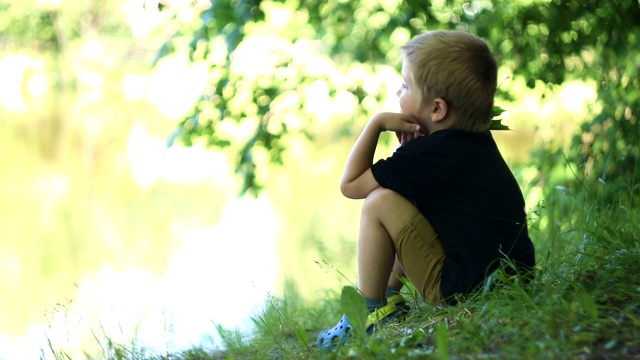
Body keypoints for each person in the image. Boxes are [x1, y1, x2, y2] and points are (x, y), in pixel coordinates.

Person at [317, 30, 536, 349]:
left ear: (437, 110)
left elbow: (351, 185)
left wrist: (377, 123)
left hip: (463, 291)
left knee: (380, 202)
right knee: (403, 199)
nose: (397, 90)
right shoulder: (472, 141)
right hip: (510, 280)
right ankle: (390, 300)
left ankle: (368, 315)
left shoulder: (428, 154)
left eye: (405, 85)